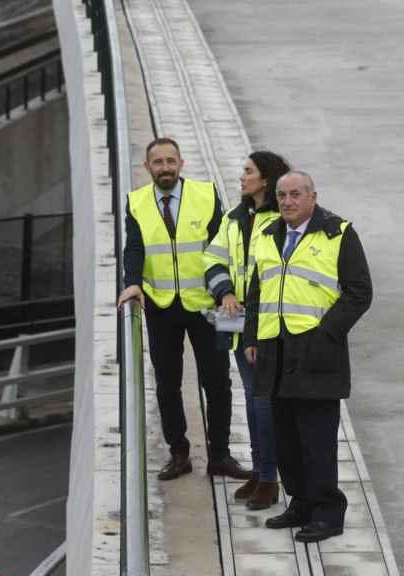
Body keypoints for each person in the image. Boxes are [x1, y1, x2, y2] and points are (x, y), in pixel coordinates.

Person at [244, 170, 372, 543]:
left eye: (295, 194)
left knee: (317, 441)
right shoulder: (270, 235)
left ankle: (328, 512)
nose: (287, 202)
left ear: (312, 197)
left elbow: (359, 292)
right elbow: (257, 291)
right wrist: (252, 336)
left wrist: (326, 335)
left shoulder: (338, 233)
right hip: (274, 352)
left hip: (317, 354)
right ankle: (300, 502)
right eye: (282, 195)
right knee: (286, 439)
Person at [118, 137, 252, 481]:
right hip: (161, 306)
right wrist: (132, 281)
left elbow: (223, 248)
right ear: (147, 167)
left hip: (211, 305)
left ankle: (220, 455)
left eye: (170, 161)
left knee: (219, 382)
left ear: (181, 163)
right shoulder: (135, 202)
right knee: (166, 383)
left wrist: (227, 293)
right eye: (158, 162)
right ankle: (179, 454)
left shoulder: (206, 194)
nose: (165, 168)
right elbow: (134, 248)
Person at [203, 151, 289, 509]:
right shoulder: (235, 217)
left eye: (248, 171)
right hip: (237, 323)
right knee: (253, 400)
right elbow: (213, 257)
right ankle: (260, 471)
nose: (242, 177)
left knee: (262, 400)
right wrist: (225, 292)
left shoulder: (281, 219)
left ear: (265, 179)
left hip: (266, 325)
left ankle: (269, 477)